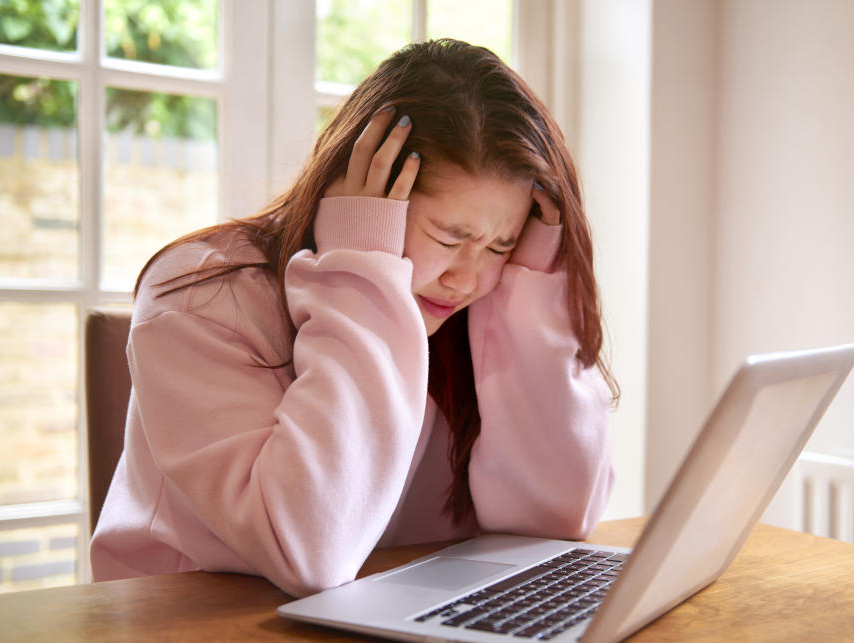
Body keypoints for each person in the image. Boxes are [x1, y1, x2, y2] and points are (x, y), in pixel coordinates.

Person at [91, 38, 618, 598]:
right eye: (448, 236)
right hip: (194, 634)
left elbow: (553, 523)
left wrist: (529, 296)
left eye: (499, 246)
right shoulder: (203, 295)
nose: (466, 279)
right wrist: (362, 268)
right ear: (360, 193)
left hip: (392, 623)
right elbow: (306, 550)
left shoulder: (484, 304)